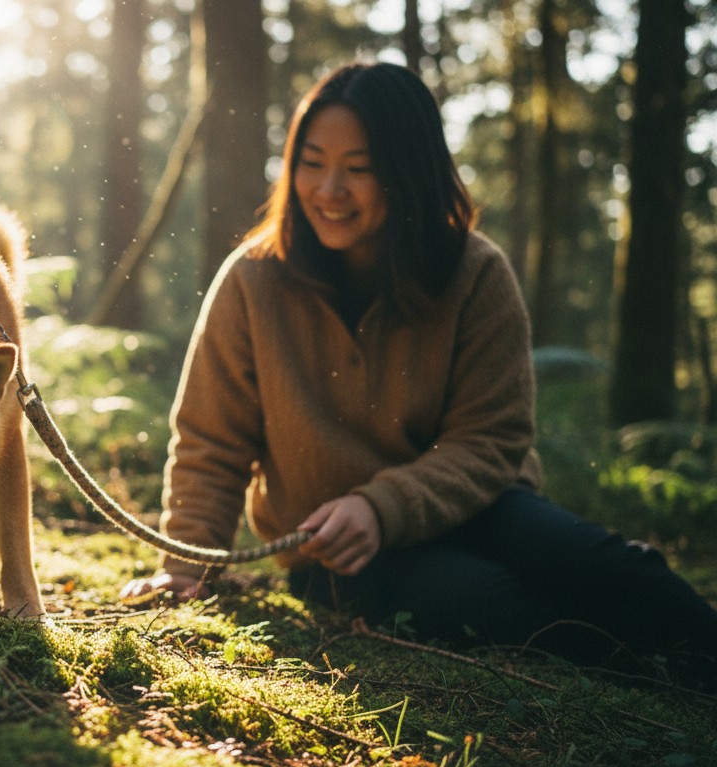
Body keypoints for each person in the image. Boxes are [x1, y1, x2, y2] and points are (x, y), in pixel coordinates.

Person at [120, 60, 717, 681]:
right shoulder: (252, 280)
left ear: (409, 171)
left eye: (359, 169)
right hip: (335, 554)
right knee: (475, 601)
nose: (328, 190)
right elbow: (212, 440)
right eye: (311, 162)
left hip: (478, 507)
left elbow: (493, 440)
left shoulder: (477, 272)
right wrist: (185, 568)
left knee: (620, 573)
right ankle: (649, 676)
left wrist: (383, 506)